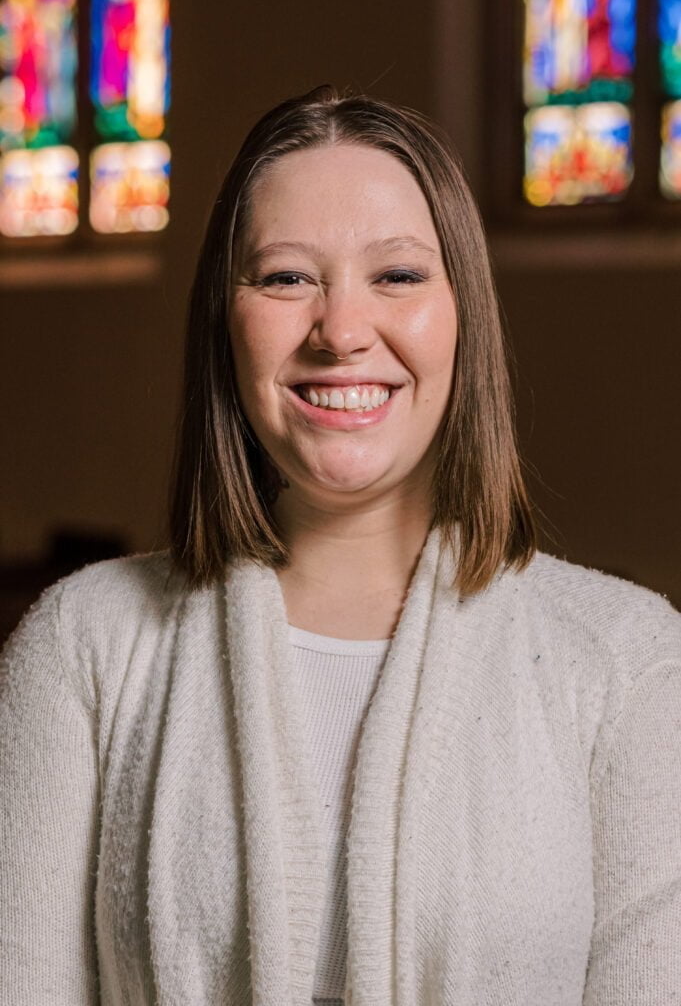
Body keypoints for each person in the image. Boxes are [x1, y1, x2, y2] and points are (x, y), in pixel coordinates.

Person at [1, 86, 679, 1006]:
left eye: (397, 275)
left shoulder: (631, 667)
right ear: (223, 322)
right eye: (285, 277)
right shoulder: (82, 648)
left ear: (462, 314)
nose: (342, 332)